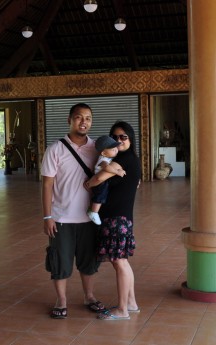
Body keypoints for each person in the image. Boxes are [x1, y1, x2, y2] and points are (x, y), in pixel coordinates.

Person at [41, 103, 105, 319]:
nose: (83, 122)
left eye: (88, 118)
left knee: (89, 261)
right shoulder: (55, 149)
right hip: (61, 218)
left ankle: (89, 296)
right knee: (60, 261)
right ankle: (62, 300)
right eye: (79, 117)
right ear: (69, 120)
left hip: (89, 218)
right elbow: (47, 185)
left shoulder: (98, 148)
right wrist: (47, 216)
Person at [84, 121, 141, 320]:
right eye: (115, 137)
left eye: (123, 137)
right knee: (122, 262)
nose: (119, 141)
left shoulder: (125, 160)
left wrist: (90, 182)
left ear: (131, 139)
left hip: (117, 219)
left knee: (120, 262)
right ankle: (131, 303)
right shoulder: (127, 159)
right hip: (120, 218)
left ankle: (122, 309)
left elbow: (96, 180)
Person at [87, 135, 126, 225]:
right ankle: (94, 212)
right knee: (100, 197)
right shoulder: (103, 159)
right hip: (100, 183)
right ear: (104, 153)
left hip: (102, 182)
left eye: (116, 147)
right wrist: (117, 171)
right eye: (112, 149)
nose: (116, 150)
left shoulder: (108, 158)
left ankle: (92, 209)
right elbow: (107, 168)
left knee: (99, 197)